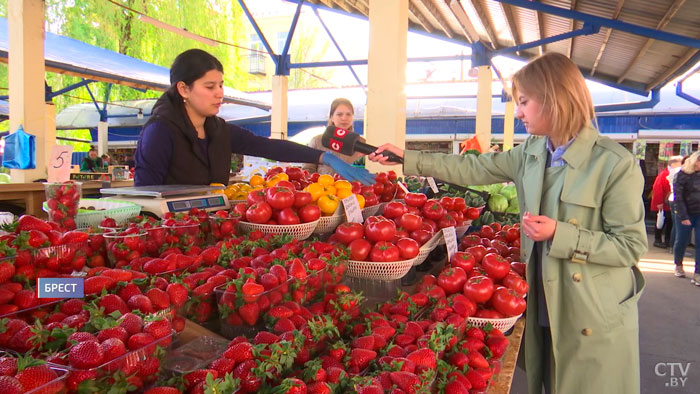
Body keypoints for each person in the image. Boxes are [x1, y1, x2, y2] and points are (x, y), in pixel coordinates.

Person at [369, 53, 647, 394]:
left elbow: (630, 246)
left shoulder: (615, 164)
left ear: (555, 99)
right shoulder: (531, 152)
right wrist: (408, 158)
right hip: (544, 300)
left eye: (525, 102)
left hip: (589, 313)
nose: (518, 113)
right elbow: (475, 169)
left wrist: (562, 234)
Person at [134, 49, 374, 187]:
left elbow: (267, 146)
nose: (219, 93)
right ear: (183, 89)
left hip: (212, 230)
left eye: (221, 84)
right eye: (210, 86)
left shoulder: (218, 130)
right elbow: (145, 195)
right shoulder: (160, 132)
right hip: (171, 242)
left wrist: (324, 156)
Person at [305, 98, 365, 175]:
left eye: (348, 114)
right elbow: (308, 170)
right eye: (339, 114)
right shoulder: (317, 141)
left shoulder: (362, 143)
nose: (344, 118)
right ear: (331, 117)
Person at [672, 151, 700, 285]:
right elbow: (678, 197)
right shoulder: (682, 175)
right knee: (682, 241)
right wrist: (683, 216)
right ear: (695, 161)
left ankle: (698, 273)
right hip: (685, 213)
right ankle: (678, 264)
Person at [651, 156, 682, 248]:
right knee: (661, 222)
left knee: (669, 222)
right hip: (663, 204)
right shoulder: (664, 175)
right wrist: (659, 203)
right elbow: (658, 190)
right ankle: (658, 239)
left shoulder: (669, 174)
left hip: (668, 204)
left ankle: (667, 240)